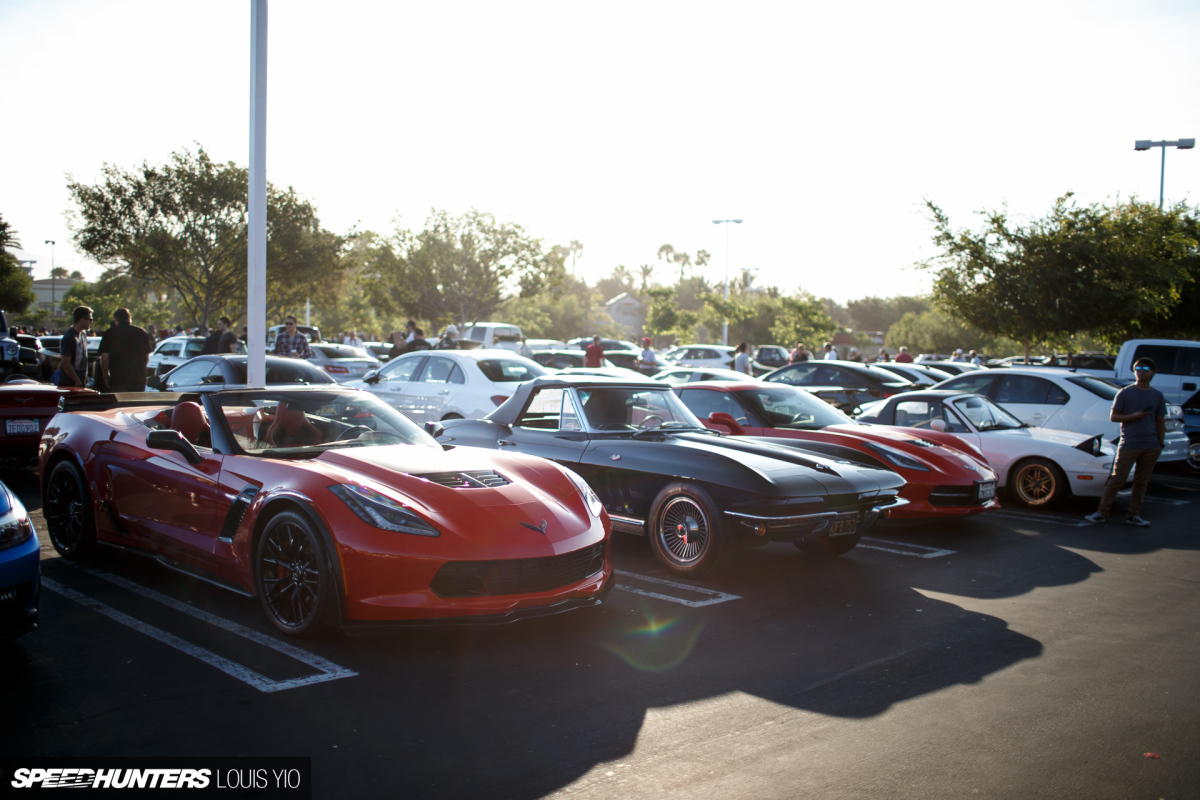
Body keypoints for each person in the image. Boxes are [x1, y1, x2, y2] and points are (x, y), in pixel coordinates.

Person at [1085, 357, 1166, 527]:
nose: (1140, 370)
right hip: (1129, 444)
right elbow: (1114, 417)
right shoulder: (1125, 393)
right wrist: (1133, 416)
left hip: (1151, 445)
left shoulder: (1157, 395)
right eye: (1137, 368)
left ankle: (1133, 515)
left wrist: (1160, 443)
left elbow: (1160, 421)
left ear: (1152, 372)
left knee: (1141, 482)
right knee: (1117, 479)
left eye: (1144, 368)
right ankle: (1101, 513)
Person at [98, 308, 153, 393]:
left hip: (118, 380)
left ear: (116, 319)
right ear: (129, 318)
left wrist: (106, 376)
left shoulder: (109, 333)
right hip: (138, 379)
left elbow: (105, 358)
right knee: (136, 405)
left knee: (121, 405)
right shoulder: (142, 332)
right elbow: (147, 357)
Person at [58, 306, 94, 387]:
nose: (91, 322)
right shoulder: (70, 337)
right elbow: (65, 363)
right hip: (70, 384)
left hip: (81, 383)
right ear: (81, 320)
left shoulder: (83, 334)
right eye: (90, 320)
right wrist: (77, 380)